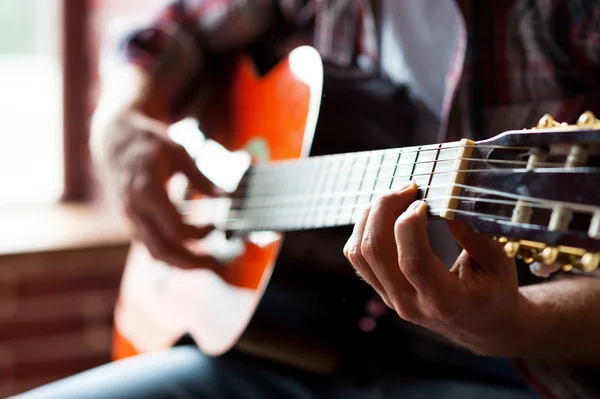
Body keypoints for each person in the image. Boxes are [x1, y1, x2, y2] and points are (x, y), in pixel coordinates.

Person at [13, 0, 600, 398]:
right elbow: (168, 29)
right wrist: (120, 118)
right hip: (292, 351)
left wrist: (513, 323)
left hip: (520, 376)